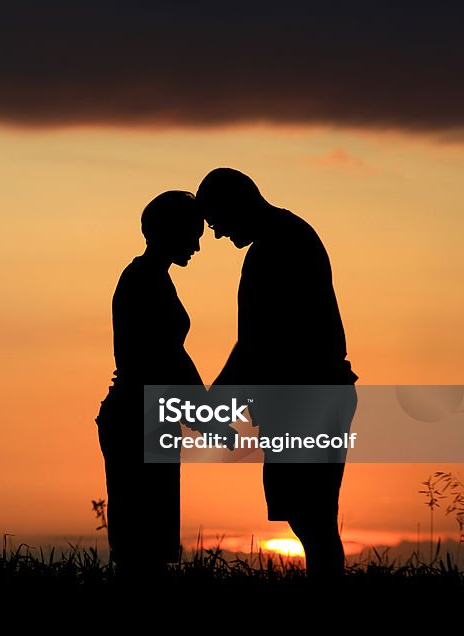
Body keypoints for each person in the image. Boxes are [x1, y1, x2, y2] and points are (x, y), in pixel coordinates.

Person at [196, 168, 358, 579]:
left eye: (217, 222)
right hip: (310, 394)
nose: (216, 235)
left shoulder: (276, 246)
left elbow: (255, 342)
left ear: (238, 204)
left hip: (308, 397)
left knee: (311, 515)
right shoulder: (287, 235)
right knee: (311, 515)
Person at [95, 190, 205, 576]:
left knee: (149, 542)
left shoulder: (152, 277)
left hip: (147, 414)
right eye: (193, 234)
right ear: (169, 231)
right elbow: (165, 355)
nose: (197, 245)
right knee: (141, 545)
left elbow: (172, 355)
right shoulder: (144, 280)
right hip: (137, 415)